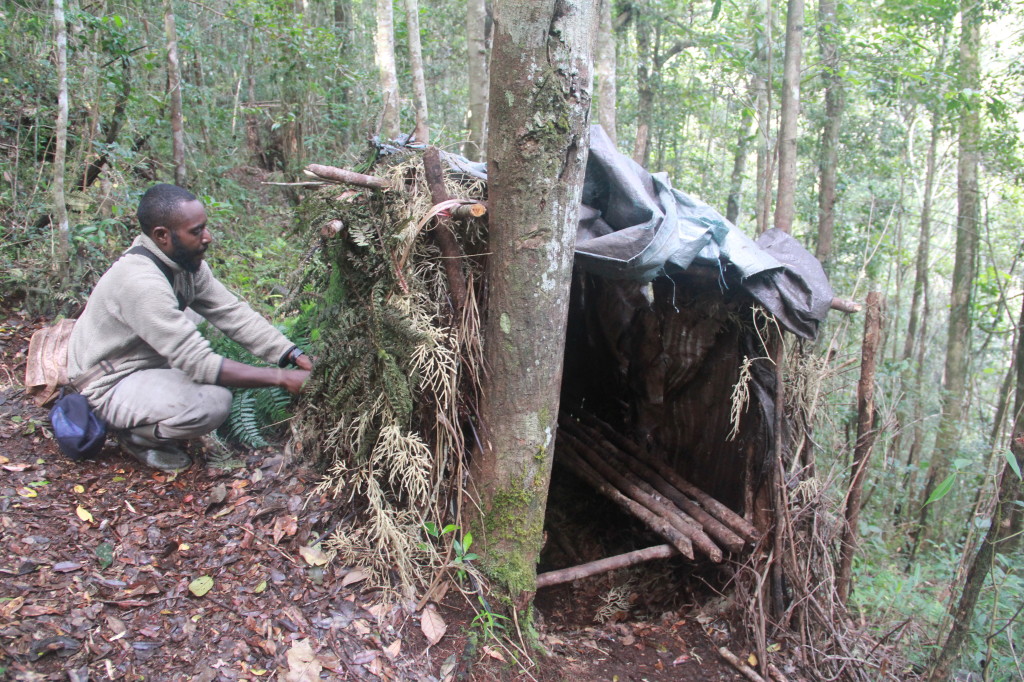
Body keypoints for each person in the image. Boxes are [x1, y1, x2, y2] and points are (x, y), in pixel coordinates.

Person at [67, 183, 313, 472]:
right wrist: (281, 378)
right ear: (162, 235)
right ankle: (135, 435)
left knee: (202, 318)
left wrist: (292, 354)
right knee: (214, 402)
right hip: (105, 383)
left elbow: (232, 313)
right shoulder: (141, 282)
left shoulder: (184, 264)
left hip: (143, 362)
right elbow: (198, 363)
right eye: (196, 231)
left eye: (205, 228)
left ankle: (150, 413)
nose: (207, 237)